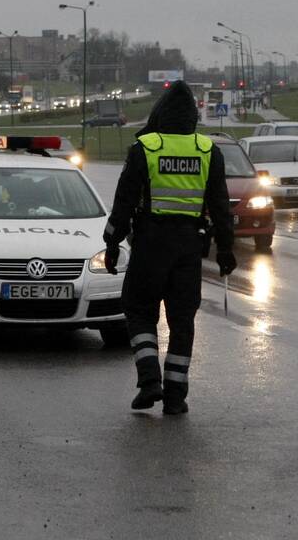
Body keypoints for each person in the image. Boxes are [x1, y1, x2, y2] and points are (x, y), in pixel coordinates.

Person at [102, 81, 236, 415]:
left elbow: (124, 202)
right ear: (193, 117)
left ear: (160, 114)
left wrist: (112, 241)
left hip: (149, 243)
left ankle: (149, 381)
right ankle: (176, 396)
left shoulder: (145, 148)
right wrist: (225, 251)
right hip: (188, 248)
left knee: (138, 310)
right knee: (182, 321)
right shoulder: (207, 151)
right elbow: (221, 208)